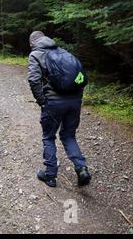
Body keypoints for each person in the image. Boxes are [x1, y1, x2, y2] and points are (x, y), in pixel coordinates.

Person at [28, 31, 91, 188]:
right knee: (69, 135)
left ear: (32, 43)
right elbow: (79, 76)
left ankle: (50, 176)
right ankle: (82, 169)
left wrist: (42, 101)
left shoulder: (36, 54)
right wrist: (76, 99)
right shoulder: (62, 52)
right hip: (75, 100)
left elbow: (34, 79)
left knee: (48, 137)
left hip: (53, 103)